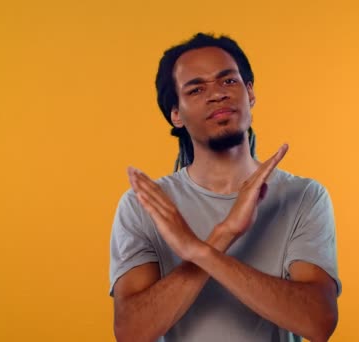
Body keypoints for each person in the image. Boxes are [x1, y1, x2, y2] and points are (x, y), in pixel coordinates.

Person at [109, 32, 341, 342]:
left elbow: (318, 322)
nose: (217, 94)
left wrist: (201, 251)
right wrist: (224, 234)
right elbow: (131, 332)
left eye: (228, 81)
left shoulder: (303, 197)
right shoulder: (146, 205)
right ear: (176, 114)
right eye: (196, 89)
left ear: (250, 93)